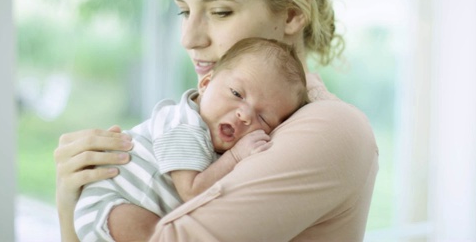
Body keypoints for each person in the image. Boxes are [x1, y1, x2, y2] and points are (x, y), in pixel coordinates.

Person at [54, 0, 379, 242]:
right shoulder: (208, 123)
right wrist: (72, 204)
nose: (189, 38)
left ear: (292, 14)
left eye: (220, 12)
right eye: (184, 11)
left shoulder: (331, 129)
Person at [73, 37, 309, 241]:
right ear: (206, 84)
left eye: (263, 118)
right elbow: (192, 192)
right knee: (154, 234)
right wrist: (236, 156)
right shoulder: (183, 123)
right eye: (237, 94)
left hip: (139, 206)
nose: (245, 115)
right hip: (108, 204)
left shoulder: (214, 135)